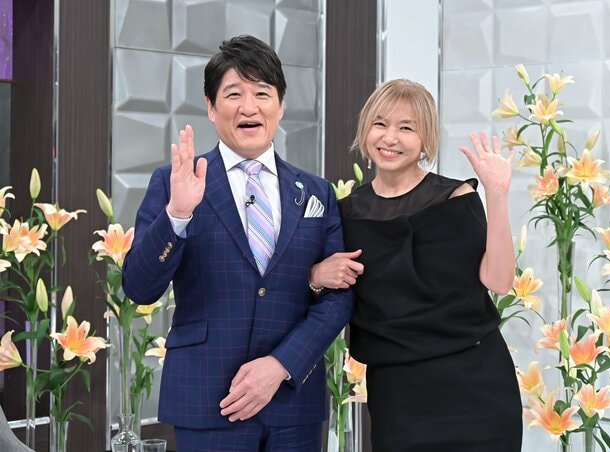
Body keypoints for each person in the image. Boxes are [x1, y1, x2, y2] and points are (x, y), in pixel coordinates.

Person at [122, 35, 353, 452]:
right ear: (211, 107)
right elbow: (139, 287)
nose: (249, 107)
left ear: (280, 106)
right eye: (234, 94)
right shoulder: (175, 183)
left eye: (262, 93)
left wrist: (281, 364)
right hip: (208, 400)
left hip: (293, 406)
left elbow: (339, 296)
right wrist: (177, 215)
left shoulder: (316, 192)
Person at [310, 79, 523, 451]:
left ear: (425, 140)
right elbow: (321, 289)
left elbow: (499, 281)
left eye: (406, 128)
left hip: (476, 384)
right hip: (398, 395)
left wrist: (498, 194)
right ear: (365, 131)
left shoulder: (456, 197)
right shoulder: (346, 213)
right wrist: (315, 275)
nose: (390, 137)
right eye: (380, 124)